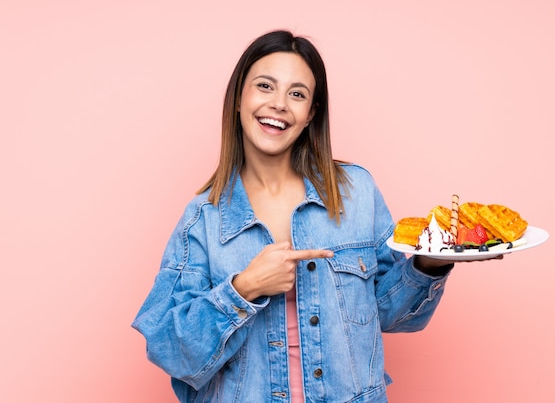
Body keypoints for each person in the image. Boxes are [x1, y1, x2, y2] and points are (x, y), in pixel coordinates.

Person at [132, 30, 462, 403]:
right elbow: (171, 350)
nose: (279, 104)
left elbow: (393, 315)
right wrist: (244, 288)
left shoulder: (355, 193)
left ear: (310, 115)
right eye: (265, 86)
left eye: (297, 94)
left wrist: (431, 263)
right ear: (239, 99)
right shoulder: (204, 219)